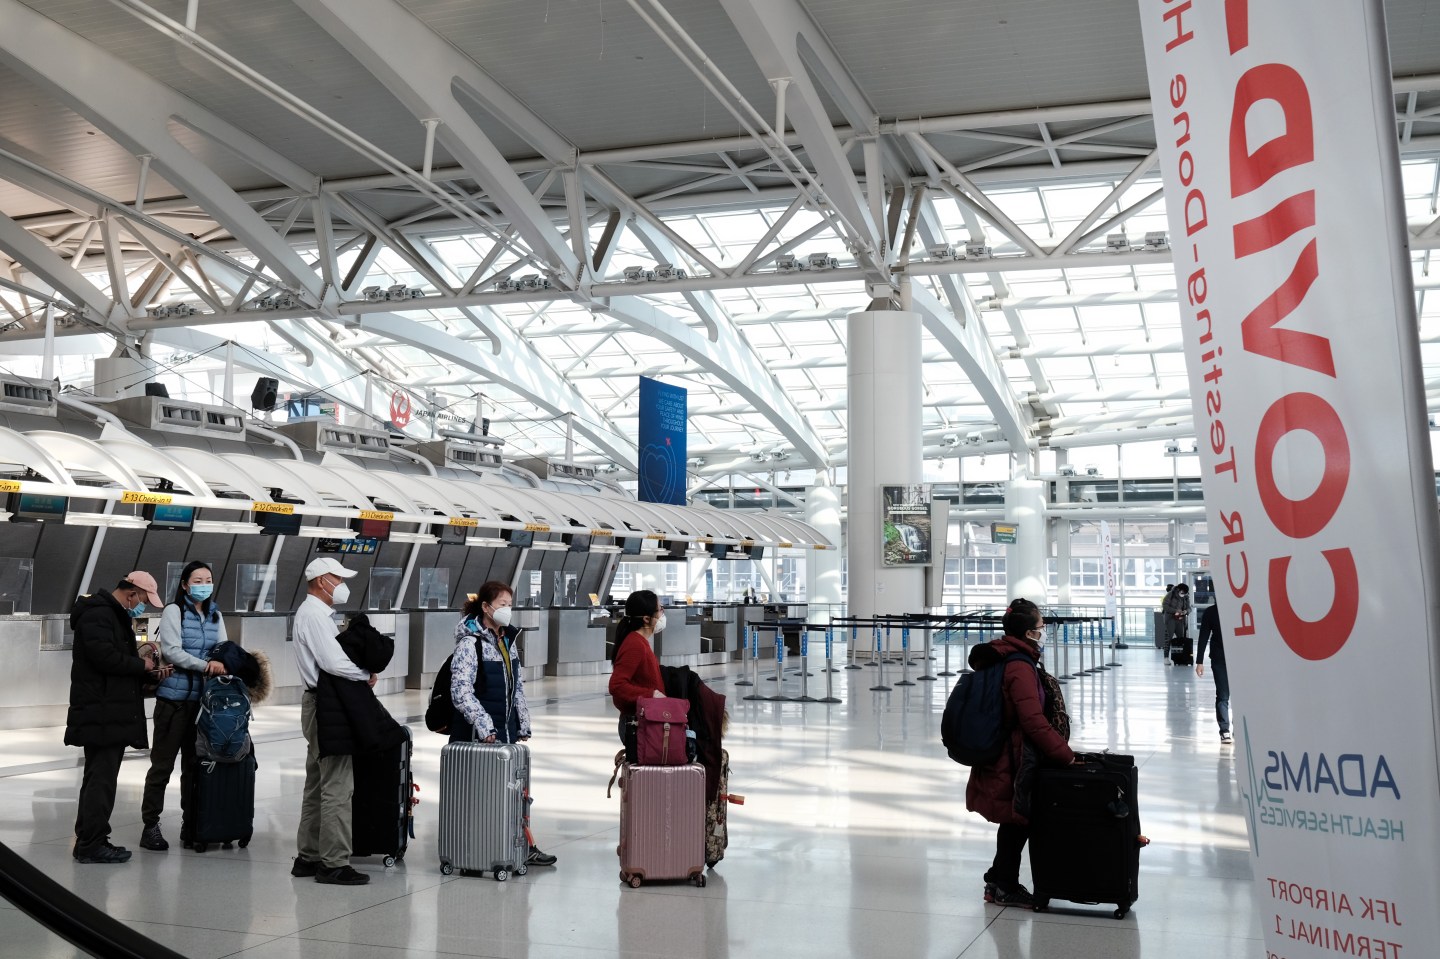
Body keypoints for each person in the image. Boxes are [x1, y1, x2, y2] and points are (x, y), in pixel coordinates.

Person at [965, 598, 1075, 907]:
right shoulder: (1018, 665)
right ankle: (1004, 885)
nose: (1044, 631)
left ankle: (998, 880)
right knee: (1019, 818)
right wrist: (1064, 754)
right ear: (1029, 632)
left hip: (1007, 751)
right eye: (1041, 626)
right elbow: (1032, 720)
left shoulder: (1006, 655)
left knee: (1016, 819)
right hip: (1015, 755)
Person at [450, 580, 556, 867]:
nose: (508, 610)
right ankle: (477, 848)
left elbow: (516, 687)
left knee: (512, 793)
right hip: (479, 736)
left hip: (505, 731)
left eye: (510, 605)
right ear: (486, 607)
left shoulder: (507, 642)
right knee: (479, 796)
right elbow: (460, 690)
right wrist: (485, 726)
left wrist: (522, 722)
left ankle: (518, 846)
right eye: (502, 605)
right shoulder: (470, 644)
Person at [65, 571, 168, 864]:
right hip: (102, 711)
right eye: (144, 599)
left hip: (105, 710)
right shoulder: (99, 614)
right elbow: (104, 657)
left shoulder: (108, 613)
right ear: (132, 591)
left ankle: (89, 837)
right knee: (102, 780)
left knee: (97, 777)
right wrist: (140, 664)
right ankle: (91, 844)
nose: (143, 606)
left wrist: (143, 668)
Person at [291, 558, 374, 886]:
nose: (342, 584)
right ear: (322, 581)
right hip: (326, 706)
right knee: (338, 784)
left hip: (317, 703)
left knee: (317, 782)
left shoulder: (315, 614)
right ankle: (334, 863)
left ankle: (308, 856)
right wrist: (365, 674)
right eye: (338, 578)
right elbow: (333, 662)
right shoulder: (314, 615)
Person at [139, 561, 228, 852]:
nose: (204, 584)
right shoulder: (173, 611)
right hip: (173, 703)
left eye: (209, 579)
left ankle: (193, 825)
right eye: (198, 579)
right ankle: (150, 826)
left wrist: (226, 662)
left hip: (202, 705)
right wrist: (207, 666)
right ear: (185, 585)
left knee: (195, 767)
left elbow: (223, 648)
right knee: (162, 766)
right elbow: (172, 651)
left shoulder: (215, 614)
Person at [607, 589, 668, 742]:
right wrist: (651, 695)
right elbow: (617, 685)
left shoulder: (639, 641)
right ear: (647, 618)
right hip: (638, 725)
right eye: (660, 609)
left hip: (644, 720)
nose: (662, 614)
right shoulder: (635, 644)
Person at [1196, 602, 1231, 744]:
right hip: (1219, 658)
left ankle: (1239, 727)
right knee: (1223, 695)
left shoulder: (1239, 608)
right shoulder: (1211, 612)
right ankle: (1224, 730)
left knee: (1241, 694)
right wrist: (1199, 661)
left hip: (1241, 657)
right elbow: (1203, 636)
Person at [1162, 582, 1191, 661]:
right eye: (1182, 592)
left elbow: (1189, 608)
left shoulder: (1186, 597)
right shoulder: (1170, 595)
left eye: (1185, 593)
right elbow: (1165, 605)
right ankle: (1166, 657)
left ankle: (1179, 657)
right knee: (1168, 638)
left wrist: (1186, 611)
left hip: (1180, 620)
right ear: (1178, 589)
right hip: (1170, 619)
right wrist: (1175, 611)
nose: (1183, 594)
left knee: (1180, 639)